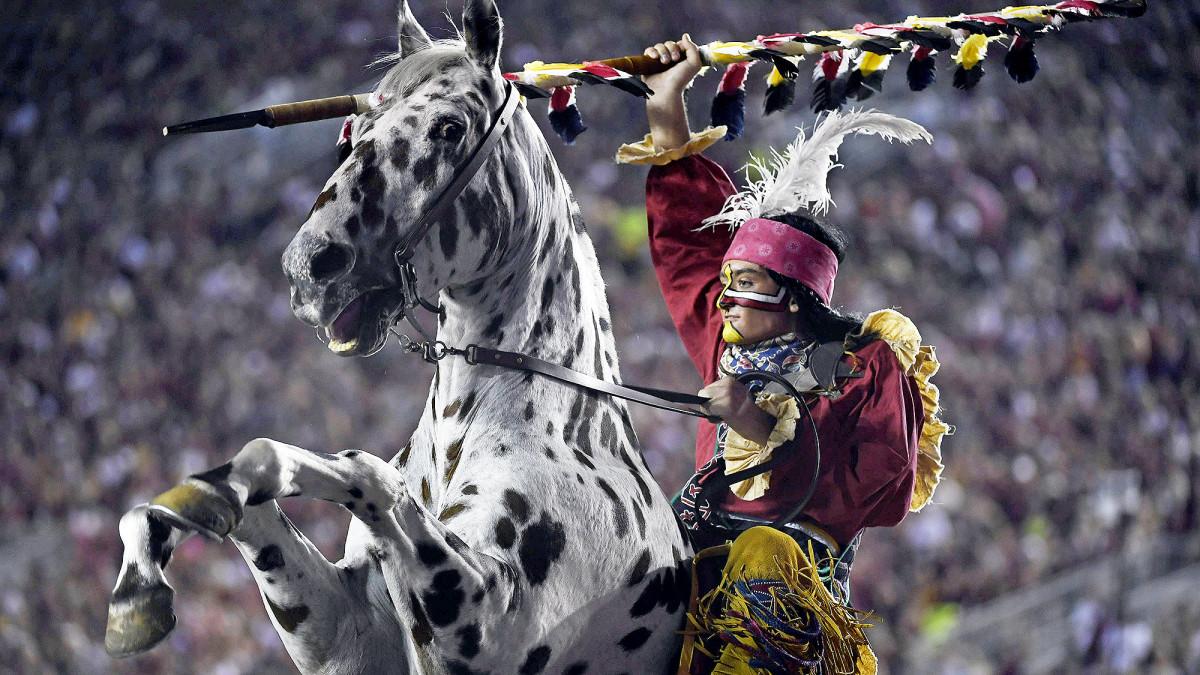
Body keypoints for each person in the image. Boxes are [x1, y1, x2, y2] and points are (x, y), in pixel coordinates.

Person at [616, 36, 951, 674]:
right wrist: (666, 109)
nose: (725, 298)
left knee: (764, 549)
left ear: (795, 298)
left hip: (791, 583)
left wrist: (760, 423)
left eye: (746, 284)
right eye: (729, 280)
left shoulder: (864, 366)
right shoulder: (728, 347)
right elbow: (688, 248)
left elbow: (880, 487)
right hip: (703, 561)